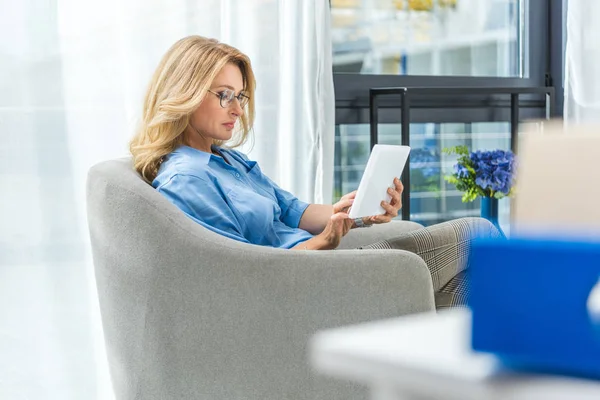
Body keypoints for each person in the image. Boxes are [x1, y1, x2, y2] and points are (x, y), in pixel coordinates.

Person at [130, 36, 501, 309]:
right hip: (308, 287)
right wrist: (322, 243)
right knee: (475, 231)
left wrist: (356, 214)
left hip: (323, 266)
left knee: (476, 291)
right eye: (225, 95)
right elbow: (241, 274)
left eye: (240, 97)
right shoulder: (187, 180)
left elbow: (297, 211)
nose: (237, 110)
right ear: (186, 92)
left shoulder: (228, 161)